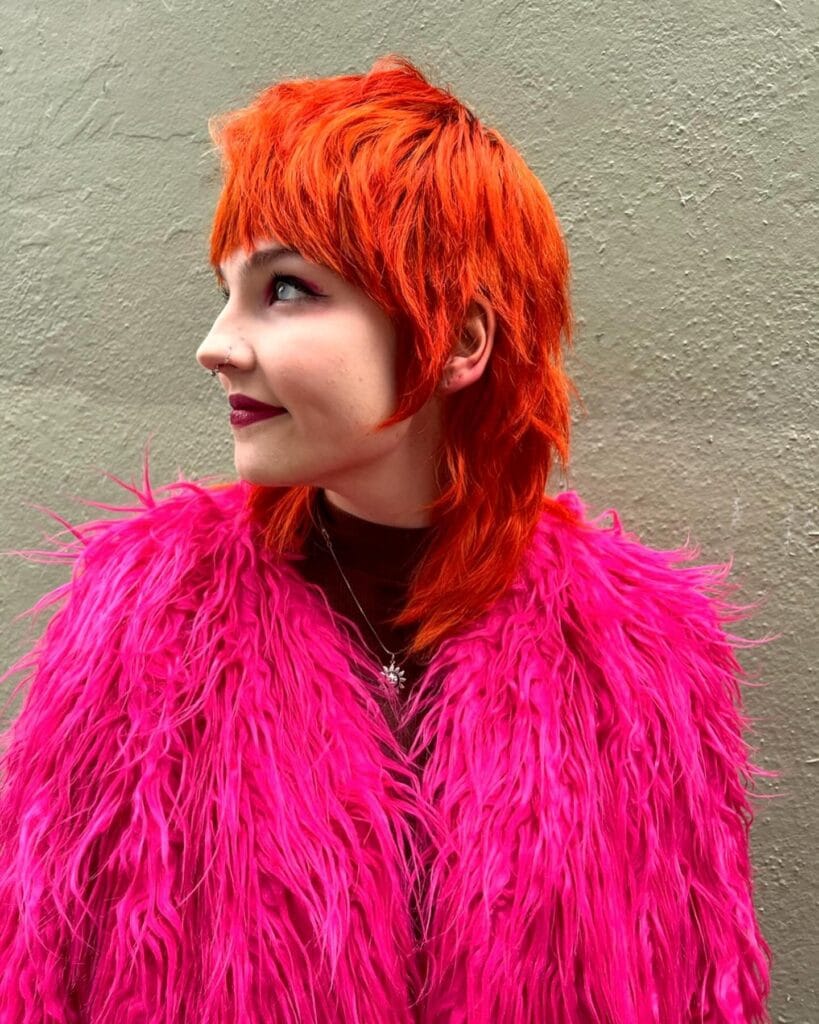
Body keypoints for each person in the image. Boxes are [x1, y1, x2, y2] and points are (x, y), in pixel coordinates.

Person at [0, 54, 774, 1023]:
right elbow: (31, 979)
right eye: (228, 290)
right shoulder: (136, 637)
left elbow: (705, 990)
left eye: (284, 290)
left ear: (458, 342)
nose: (216, 342)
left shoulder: (649, 666)